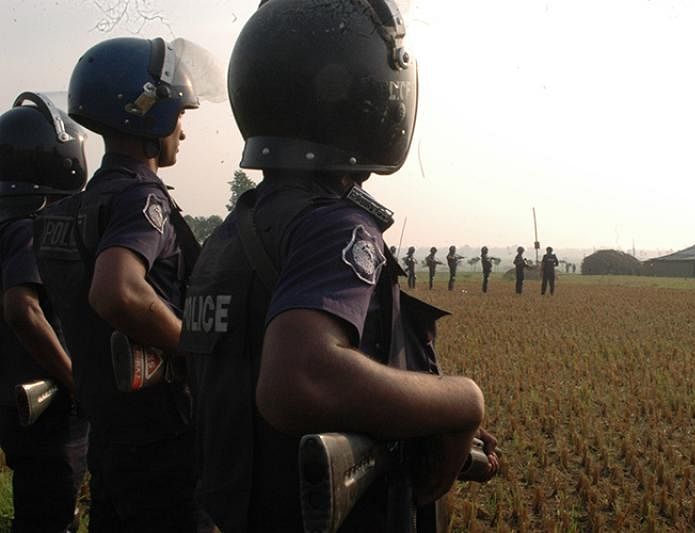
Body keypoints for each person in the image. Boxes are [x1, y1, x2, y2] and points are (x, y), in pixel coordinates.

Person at [179, 1, 499, 530]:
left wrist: (426, 417)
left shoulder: (229, 235)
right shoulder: (335, 227)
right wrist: (463, 401)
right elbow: (297, 377)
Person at [34, 37, 223, 532]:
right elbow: (116, 290)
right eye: (178, 114)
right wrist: (192, 347)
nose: (182, 132)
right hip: (163, 439)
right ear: (149, 114)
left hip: (111, 430)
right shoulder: (143, 200)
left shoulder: (75, 207)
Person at [0, 92, 90, 533]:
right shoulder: (28, 227)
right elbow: (22, 308)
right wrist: (77, 379)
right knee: (51, 516)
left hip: (13, 404)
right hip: (45, 414)